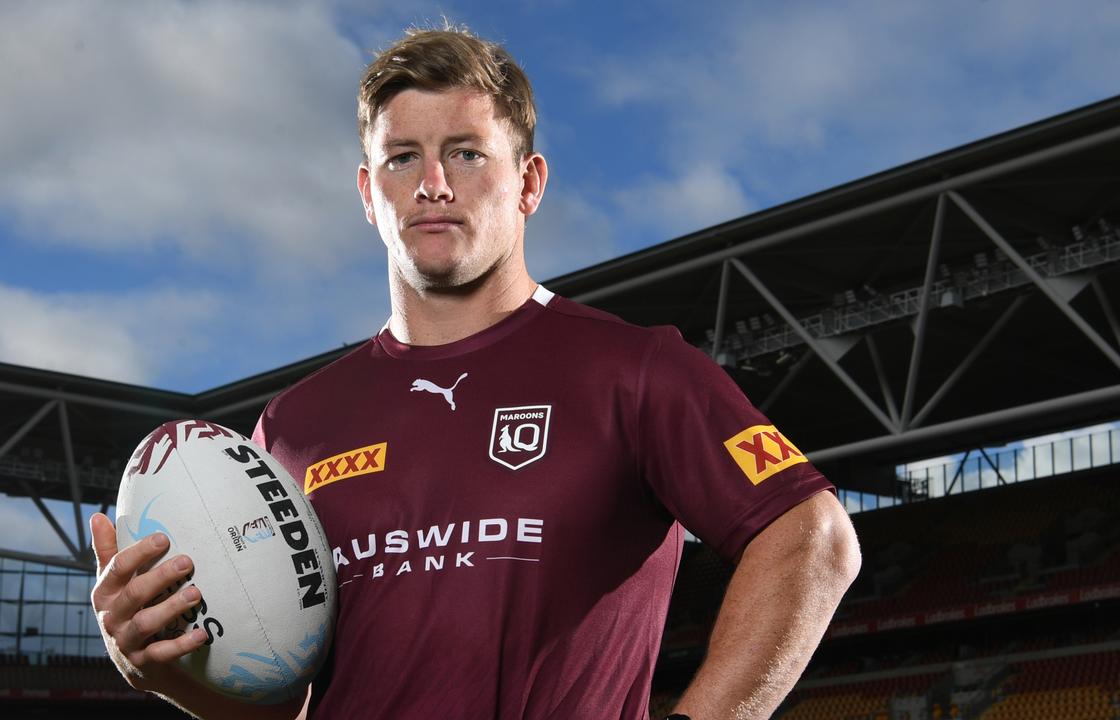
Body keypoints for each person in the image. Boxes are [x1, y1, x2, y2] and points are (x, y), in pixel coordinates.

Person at [90, 25, 861, 720]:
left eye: (466, 152)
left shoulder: (633, 371)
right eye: (401, 157)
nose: (433, 184)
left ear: (528, 183)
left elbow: (813, 538)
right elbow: (284, 707)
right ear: (369, 193)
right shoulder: (292, 429)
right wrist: (166, 674)